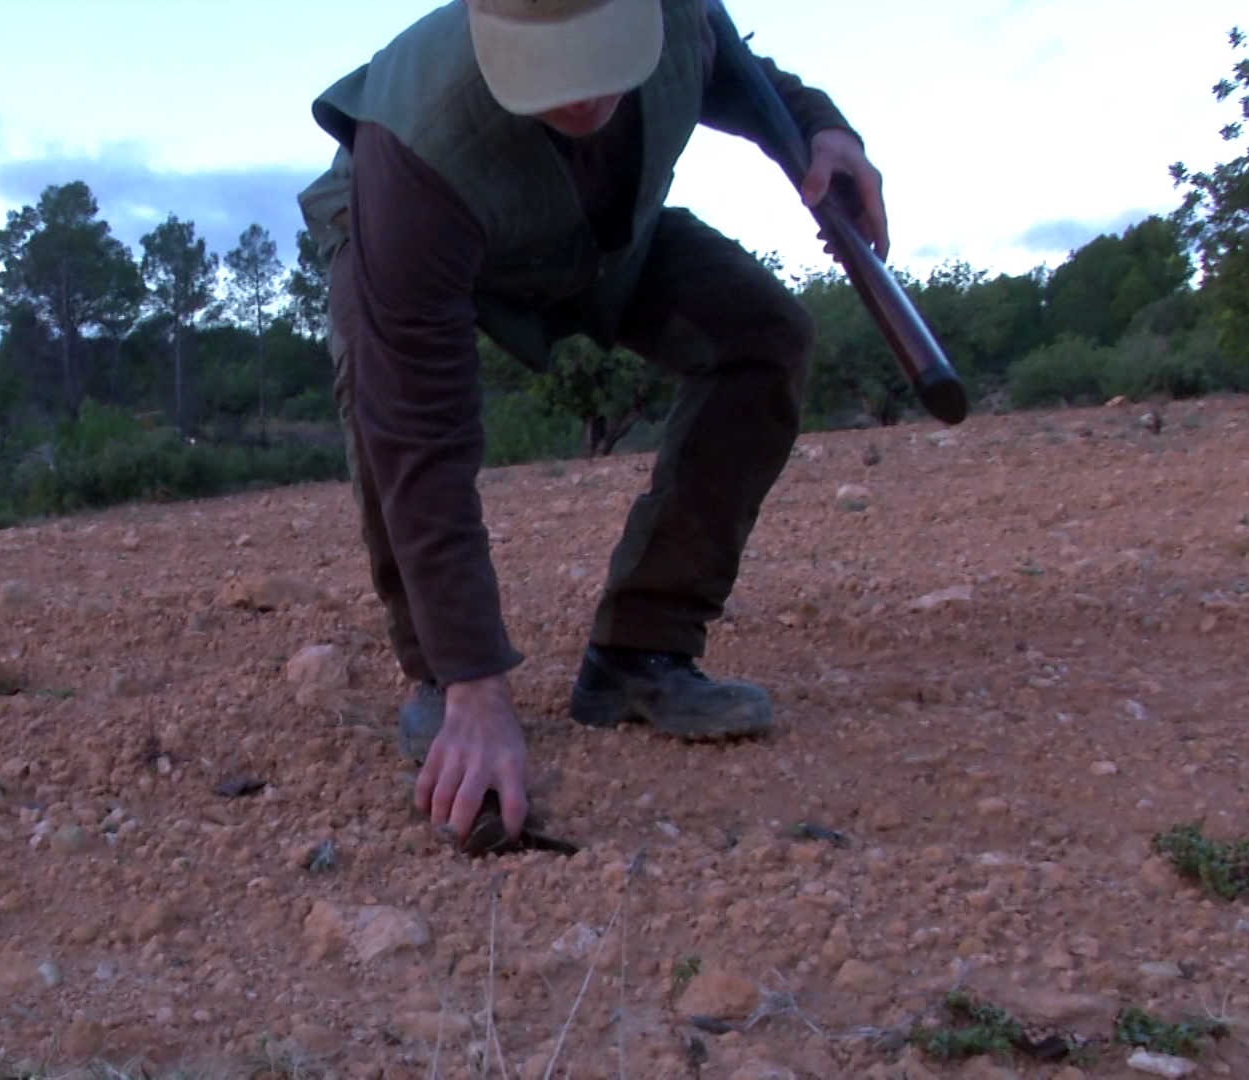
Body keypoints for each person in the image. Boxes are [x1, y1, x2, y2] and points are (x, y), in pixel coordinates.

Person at [295, 0, 889, 846]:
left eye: (598, 54)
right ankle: (445, 681)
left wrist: (823, 131)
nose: (577, 94)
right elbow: (421, 440)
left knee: (765, 335)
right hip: (433, 231)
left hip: (602, 244)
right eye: (546, 63)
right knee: (384, 399)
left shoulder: (684, 19)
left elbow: (746, 80)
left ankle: (640, 653)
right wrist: (476, 681)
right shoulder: (414, 148)